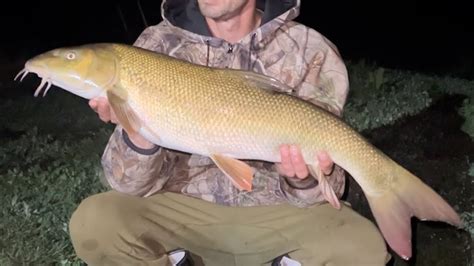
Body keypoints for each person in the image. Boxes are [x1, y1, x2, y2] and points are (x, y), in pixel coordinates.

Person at [69, 0, 390, 265]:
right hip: (183, 210)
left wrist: (301, 178)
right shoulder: (157, 46)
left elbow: (329, 187)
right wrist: (136, 133)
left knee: (363, 249)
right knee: (96, 222)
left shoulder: (309, 48)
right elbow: (127, 183)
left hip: (279, 212)